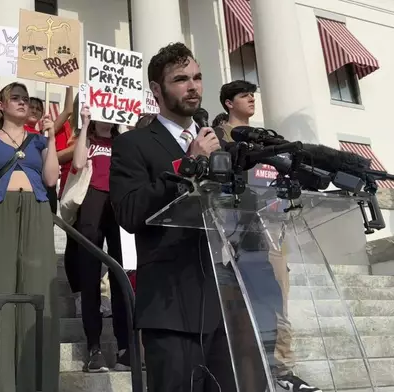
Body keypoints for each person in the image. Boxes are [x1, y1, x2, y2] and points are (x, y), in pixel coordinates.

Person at [109, 42, 237, 391]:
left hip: (222, 305)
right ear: (157, 89)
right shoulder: (133, 143)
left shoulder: (217, 145)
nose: (193, 86)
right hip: (169, 305)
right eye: (181, 79)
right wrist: (186, 166)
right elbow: (130, 212)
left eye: (197, 77)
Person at [218, 80, 321, 392]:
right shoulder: (218, 139)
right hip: (229, 233)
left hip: (270, 231)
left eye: (253, 94)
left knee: (278, 307)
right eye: (243, 95)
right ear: (227, 103)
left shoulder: (266, 142)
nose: (251, 99)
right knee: (235, 312)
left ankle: (283, 371)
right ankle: (242, 370)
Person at [0, 82, 60, 392]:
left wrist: (50, 137)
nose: (22, 102)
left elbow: (50, 179)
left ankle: (36, 379)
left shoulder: (38, 141)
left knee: (39, 292)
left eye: (25, 98)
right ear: (1, 105)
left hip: (36, 211)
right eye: (15, 98)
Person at [72, 105, 129, 372]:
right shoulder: (90, 139)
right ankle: (93, 348)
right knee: (90, 278)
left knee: (120, 278)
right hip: (92, 202)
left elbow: (132, 168)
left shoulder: (122, 141)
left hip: (117, 206)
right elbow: (77, 163)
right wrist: (84, 125)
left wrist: (126, 125)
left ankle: (124, 348)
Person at [0, 49, 73, 214]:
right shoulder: (7, 123)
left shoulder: (44, 134)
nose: (33, 110)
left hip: (40, 191)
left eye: (37, 108)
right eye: (30, 106)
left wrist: (70, 80)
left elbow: (68, 110)